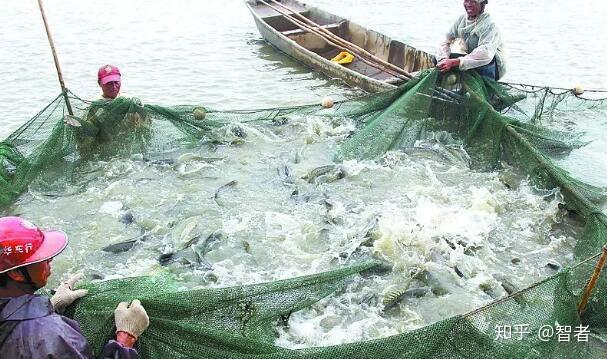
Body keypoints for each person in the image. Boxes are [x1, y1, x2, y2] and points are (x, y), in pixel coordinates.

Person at [0, 216, 150, 358]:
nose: (50, 259)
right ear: (16, 273)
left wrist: (51, 305)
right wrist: (125, 339)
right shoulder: (53, 336)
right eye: (41, 258)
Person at [436, 0, 506, 81]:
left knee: (485, 62)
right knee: (437, 59)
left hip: (490, 63)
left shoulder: (490, 23)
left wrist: (454, 62)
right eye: (466, 1)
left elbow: (485, 53)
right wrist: (444, 58)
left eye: (473, 1)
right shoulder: (461, 19)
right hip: (471, 58)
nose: (469, 4)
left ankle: (487, 88)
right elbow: (446, 40)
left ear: (482, 4)